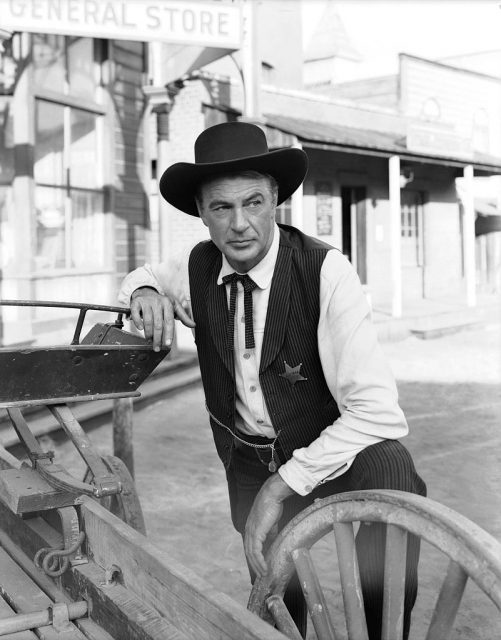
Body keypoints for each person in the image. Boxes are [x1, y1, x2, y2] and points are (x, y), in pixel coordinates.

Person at [119, 121, 426, 639]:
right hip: (248, 455)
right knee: (279, 594)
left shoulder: (327, 271)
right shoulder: (196, 264)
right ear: (201, 213)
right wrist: (143, 293)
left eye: (254, 203)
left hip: (329, 451)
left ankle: (383, 632)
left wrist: (280, 488)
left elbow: (378, 411)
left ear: (276, 200)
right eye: (221, 208)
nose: (240, 225)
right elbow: (143, 274)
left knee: (391, 467)